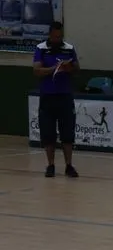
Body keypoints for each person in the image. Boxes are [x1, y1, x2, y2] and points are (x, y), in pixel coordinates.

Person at [32, 21, 79, 178]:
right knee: (48, 132)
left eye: (60, 36)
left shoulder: (69, 48)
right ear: (50, 35)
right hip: (48, 96)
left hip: (65, 96)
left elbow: (77, 68)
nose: (58, 39)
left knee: (67, 132)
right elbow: (37, 70)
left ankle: (69, 165)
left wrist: (68, 67)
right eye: (55, 37)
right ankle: (50, 165)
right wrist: (53, 69)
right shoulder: (41, 48)